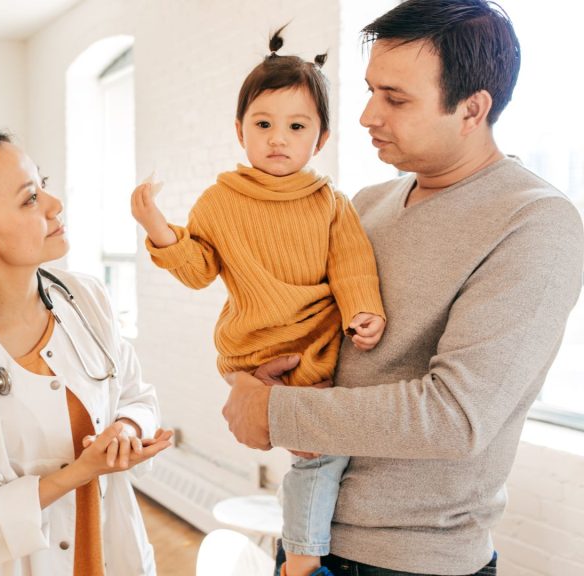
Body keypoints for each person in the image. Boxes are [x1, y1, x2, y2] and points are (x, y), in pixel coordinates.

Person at [221, 1, 584, 574]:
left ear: (472, 108)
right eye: (369, 91)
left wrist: (276, 410)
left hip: (411, 562)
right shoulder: (366, 205)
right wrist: (250, 377)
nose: (366, 115)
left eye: (395, 98)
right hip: (302, 536)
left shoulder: (535, 222)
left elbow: (456, 417)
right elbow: (297, 323)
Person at [131, 27, 385, 576]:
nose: (278, 139)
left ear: (320, 140)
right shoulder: (221, 201)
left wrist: (365, 309)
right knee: (318, 458)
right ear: (239, 131)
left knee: (318, 460)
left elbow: (353, 264)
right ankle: (302, 563)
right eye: (263, 124)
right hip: (252, 351)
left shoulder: (329, 202)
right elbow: (198, 270)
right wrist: (158, 228)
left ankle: (298, 555)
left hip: (315, 349)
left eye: (297, 127)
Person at [0, 129, 174, 576]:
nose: (54, 204)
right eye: (29, 199)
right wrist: (79, 471)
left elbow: (138, 395)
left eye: (43, 184)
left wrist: (126, 427)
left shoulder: (87, 299)